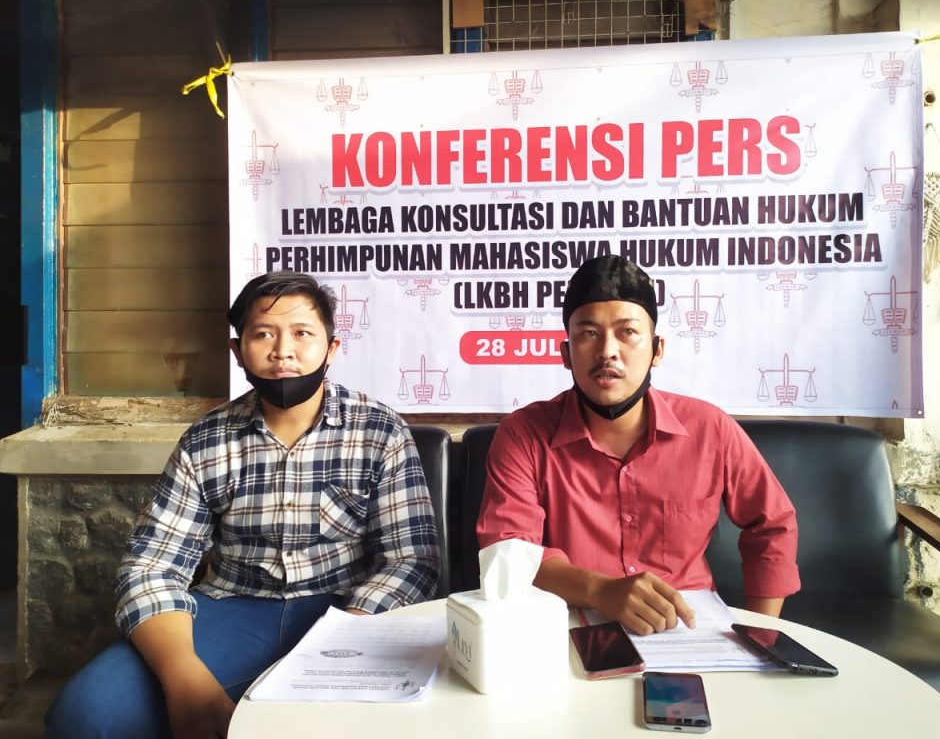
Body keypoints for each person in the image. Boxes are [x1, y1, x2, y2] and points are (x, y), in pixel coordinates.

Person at [46, 271, 440, 739]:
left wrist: (346, 638)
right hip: (232, 609)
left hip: (345, 612)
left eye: (302, 333)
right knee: (87, 715)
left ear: (332, 348)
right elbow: (152, 566)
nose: (282, 351)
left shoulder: (379, 430)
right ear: (238, 351)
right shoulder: (206, 440)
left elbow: (411, 561)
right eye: (263, 334)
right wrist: (183, 676)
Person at [475, 255, 799, 636]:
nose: (607, 351)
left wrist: (760, 634)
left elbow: (772, 523)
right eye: (588, 333)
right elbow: (510, 552)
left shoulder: (710, 429)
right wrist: (600, 591)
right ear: (565, 354)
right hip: (571, 634)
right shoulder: (522, 436)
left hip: (691, 633)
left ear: (657, 349)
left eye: (627, 332)